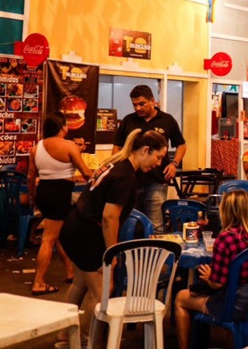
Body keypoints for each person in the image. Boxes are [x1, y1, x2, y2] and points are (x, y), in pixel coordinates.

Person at [58, 130, 167, 345]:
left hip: (74, 227)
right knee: (101, 292)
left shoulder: (117, 163)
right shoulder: (124, 176)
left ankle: (64, 337)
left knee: (80, 284)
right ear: (145, 150)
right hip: (86, 234)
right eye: (159, 157)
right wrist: (112, 253)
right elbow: (109, 217)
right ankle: (88, 342)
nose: (159, 163)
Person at [174, 190, 248, 349]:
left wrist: (208, 276)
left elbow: (217, 284)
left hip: (234, 305)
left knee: (181, 298)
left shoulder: (225, 238)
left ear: (226, 211)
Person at [27, 112, 93, 296]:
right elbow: (86, 173)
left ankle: (70, 271)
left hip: (43, 194)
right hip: (59, 195)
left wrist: (32, 199)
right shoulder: (69, 146)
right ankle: (39, 282)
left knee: (57, 234)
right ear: (63, 127)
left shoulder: (36, 148)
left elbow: (30, 177)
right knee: (48, 238)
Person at [112, 84, 186, 234]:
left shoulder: (167, 120)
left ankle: (155, 249)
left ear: (152, 101)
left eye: (142, 104)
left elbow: (181, 145)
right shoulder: (128, 120)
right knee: (130, 224)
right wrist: (118, 168)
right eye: (134, 105)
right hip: (131, 180)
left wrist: (174, 164)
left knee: (155, 225)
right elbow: (117, 147)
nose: (138, 108)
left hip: (157, 180)